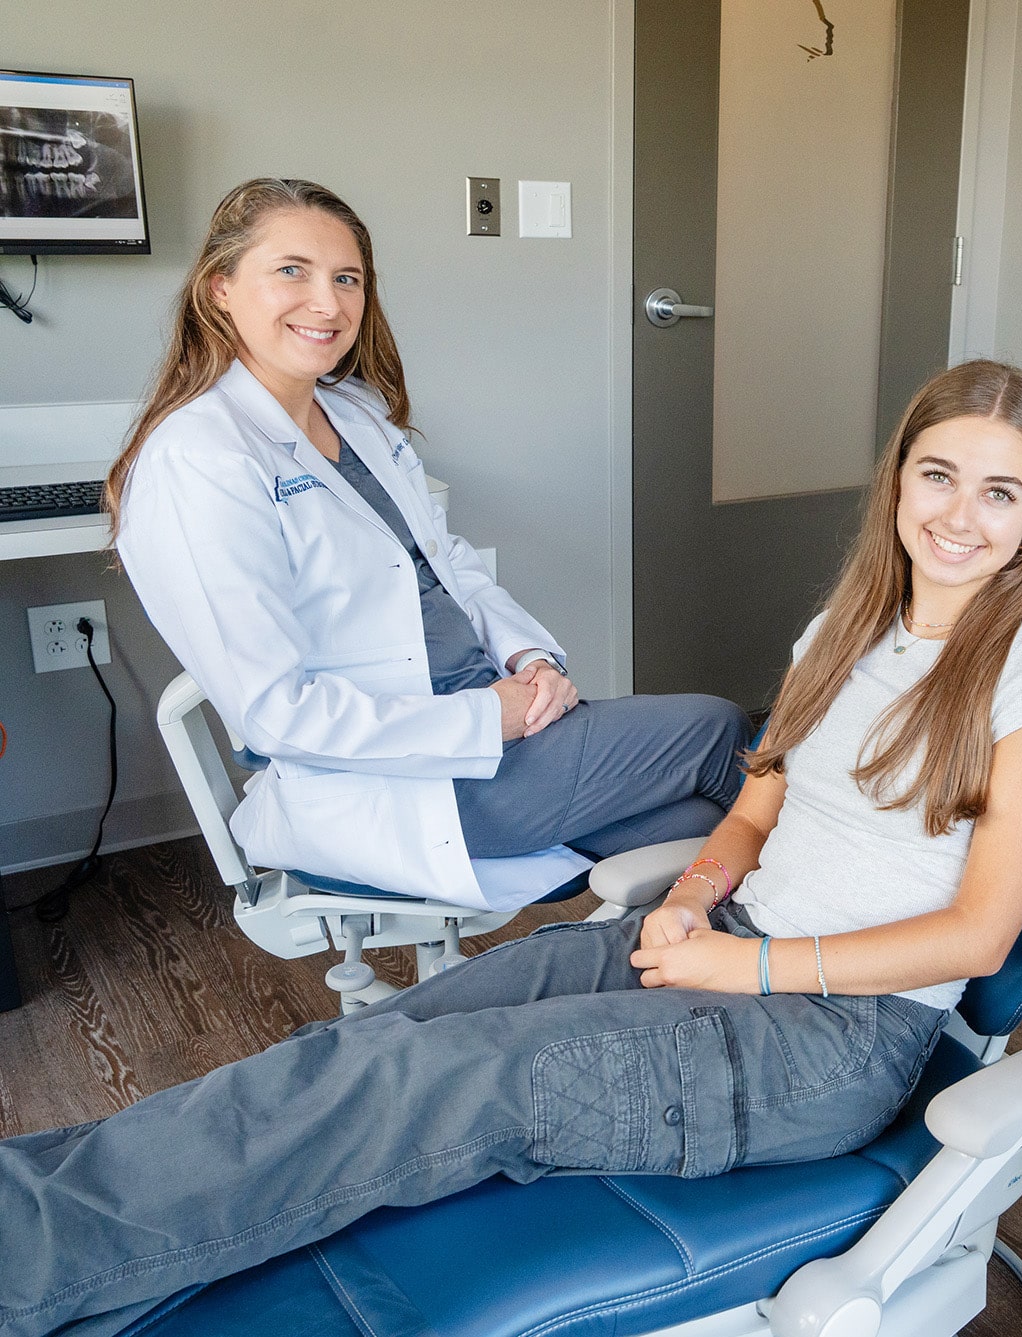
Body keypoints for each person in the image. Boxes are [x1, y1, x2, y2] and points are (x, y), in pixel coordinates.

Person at [1, 356, 1022, 1337]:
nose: (960, 515)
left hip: (834, 1040)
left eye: (999, 491)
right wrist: (695, 896)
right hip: (722, 940)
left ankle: (26, 1263)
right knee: (378, 1040)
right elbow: (757, 807)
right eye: (938, 475)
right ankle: (33, 1208)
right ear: (898, 483)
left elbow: (980, 933)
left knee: (435, 1082)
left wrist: (746, 964)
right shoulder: (842, 632)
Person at [108, 178, 747, 909]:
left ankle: (700, 983)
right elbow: (273, 713)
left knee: (700, 825)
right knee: (716, 729)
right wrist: (487, 718)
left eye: (346, 278)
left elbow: (450, 569)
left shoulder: (354, 414)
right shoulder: (200, 456)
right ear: (220, 289)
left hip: (492, 720)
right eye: (292, 271)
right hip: (406, 775)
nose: (327, 303)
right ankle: (840, 945)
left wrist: (528, 658)